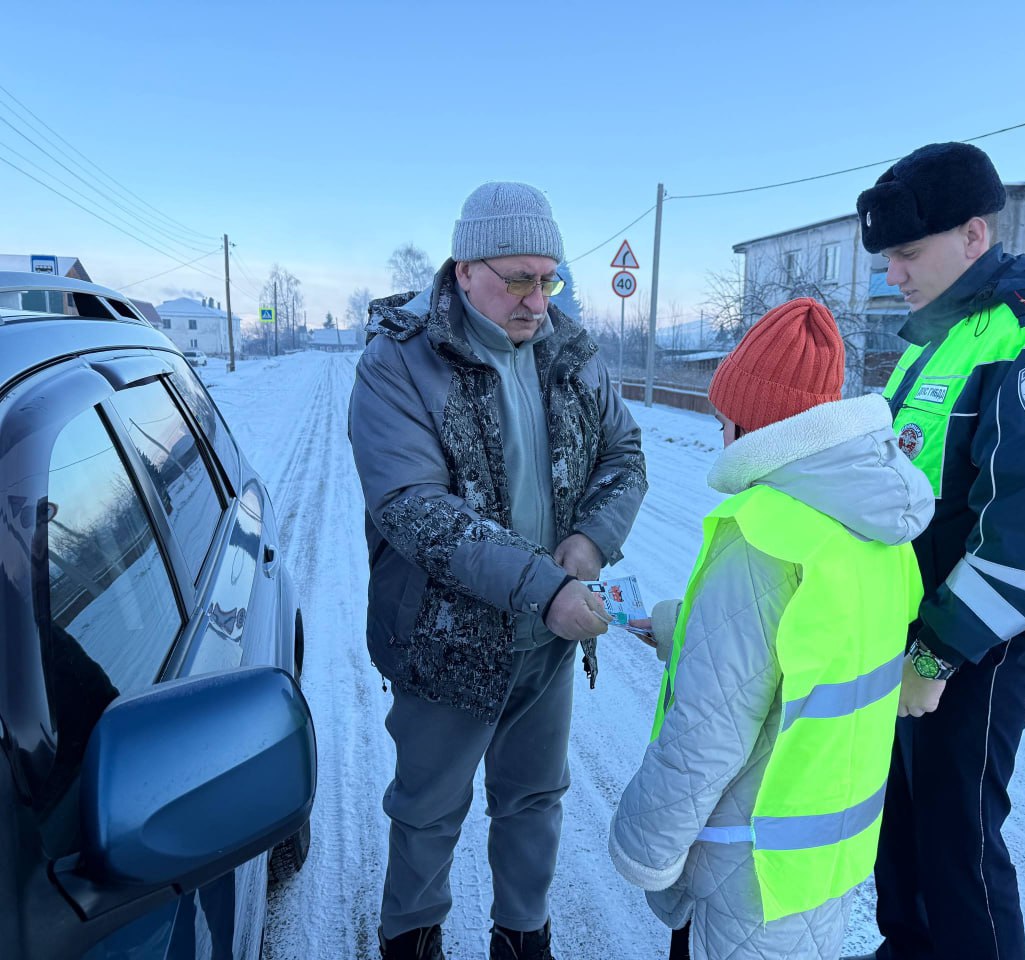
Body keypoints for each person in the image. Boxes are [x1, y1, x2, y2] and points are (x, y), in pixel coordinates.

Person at [349, 181, 648, 960]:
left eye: (548, 278)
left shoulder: (568, 348)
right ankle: (410, 941)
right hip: (444, 644)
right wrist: (548, 588)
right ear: (464, 268)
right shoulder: (401, 361)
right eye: (519, 277)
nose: (537, 300)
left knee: (535, 803)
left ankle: (524, 940)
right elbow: (415, 508)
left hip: (543, 650)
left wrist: (585, 544)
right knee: (427, 811)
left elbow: (625, 453)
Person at [847, 143, 1025, 960]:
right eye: (888, 256)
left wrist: (937, 656)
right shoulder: (948, 333)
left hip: (985, 636)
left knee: (958, 829)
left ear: (973, 234)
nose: (893, 273)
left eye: (907, 253)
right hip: (923, 622)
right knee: (903, 816)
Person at [609, 298, 935, 959]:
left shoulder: (764, 533)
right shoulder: (872, 528)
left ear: (750, 424)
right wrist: (679, 626)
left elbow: (710, 726)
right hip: (826, 849)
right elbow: (809, 651)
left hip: (745, 859)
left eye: (723, 417)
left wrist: (643, 848)